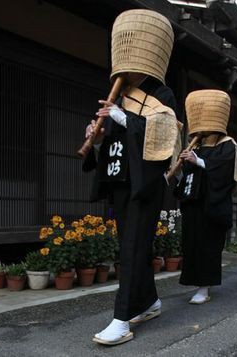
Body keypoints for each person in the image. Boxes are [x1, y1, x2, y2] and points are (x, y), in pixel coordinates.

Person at [83, 10, 180, 346]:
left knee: (132, 249)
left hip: (146, 185)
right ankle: (149, 301)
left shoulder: (161, 95)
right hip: (121, 180)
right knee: (132, 247)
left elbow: (164, 137)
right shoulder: (118, 93)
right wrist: (96, 137)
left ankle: (122, 320)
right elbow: (115, 140)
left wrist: (122, 118)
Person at [176, 89, 237, 304]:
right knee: (192, 244)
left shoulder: (227, 144)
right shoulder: (194, 144)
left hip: (213, 205)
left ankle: (204, 288)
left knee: (208, 246)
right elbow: (185, 176)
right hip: (194, 204)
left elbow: (225, 173)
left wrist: (199, 162)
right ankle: (196, 283)